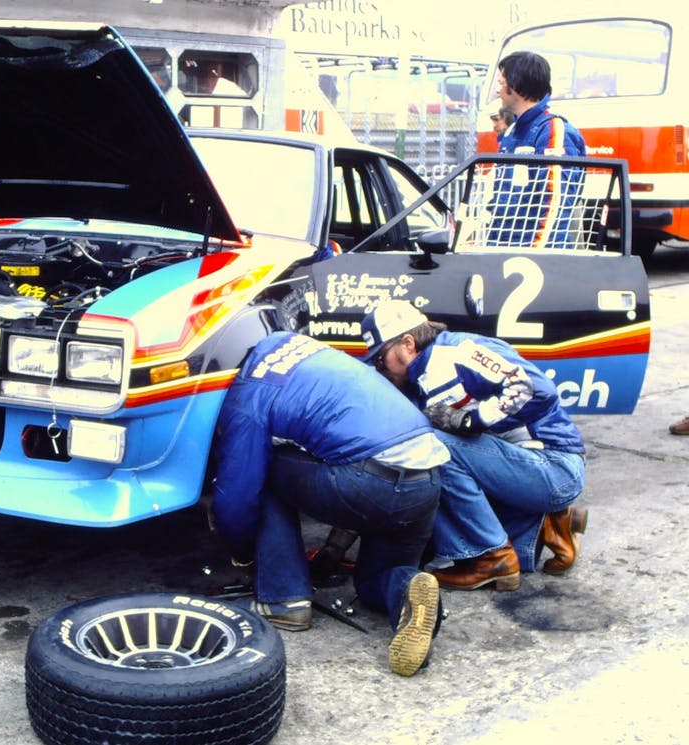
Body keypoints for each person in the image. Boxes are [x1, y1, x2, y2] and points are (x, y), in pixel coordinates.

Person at [209, 331, 448, 676]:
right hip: (426, 479)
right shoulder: (299, 346)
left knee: (258, 471)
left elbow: (238, 497)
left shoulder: (247, 394)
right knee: (372, 583)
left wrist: (241, 551)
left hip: (369, 477)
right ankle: (409, 590)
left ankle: (283, 598)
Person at [361, 300, 587, 591]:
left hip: (555, 465)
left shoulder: (459, 351)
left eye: (381, 358)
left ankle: (490, 557)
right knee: (434, 468)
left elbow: (534, 389)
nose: (381, 368)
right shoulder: (418, 381)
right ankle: (548, 523)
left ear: (407, 343)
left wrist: (472, 421)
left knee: (430, 447)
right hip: (528, 470)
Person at [490, 51, 587, 249]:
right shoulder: (511, 133)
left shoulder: (552, 130)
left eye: (500, 83)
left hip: (535, 258)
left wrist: (538, 257)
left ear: (515, 86)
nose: (496, 91)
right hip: (504, 249)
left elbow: (555, 204)